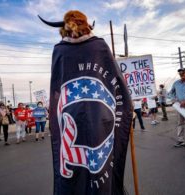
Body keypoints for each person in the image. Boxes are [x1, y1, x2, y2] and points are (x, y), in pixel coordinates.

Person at [39, 10, 133, 194]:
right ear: (86, 24)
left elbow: (57, 88)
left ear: (64, 29)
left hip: (70, 115)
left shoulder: (59, 50)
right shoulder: (100, 46)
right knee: (101, 164)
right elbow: (116, 82)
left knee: (73, 167)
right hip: (101, 116)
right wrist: (126, 107)